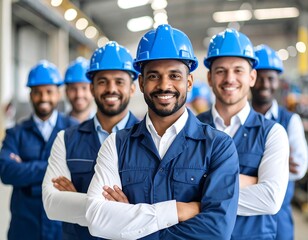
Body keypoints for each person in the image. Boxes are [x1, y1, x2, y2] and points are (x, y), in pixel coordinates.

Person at [86, 24, 240, 240]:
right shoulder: (116, 144)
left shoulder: (218, 146)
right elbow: (96, 219)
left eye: (174, 76)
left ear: (188, 82)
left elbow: (217, 229)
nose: (164, 85)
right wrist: (179, 211)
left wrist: (131, 223)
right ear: (141, 83)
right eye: (154, 76)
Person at [197, 28, 289, 240]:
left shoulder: (273, 133)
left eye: (238, 70)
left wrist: (199, 191)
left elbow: (269, 199)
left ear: (252, 77)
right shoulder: (190, 129)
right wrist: (250, 181)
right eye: (221, 71)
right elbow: (173, 190)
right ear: (210, 78)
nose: (230, 79)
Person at [42, 41, 140, 240]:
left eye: (119, 81)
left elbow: (156, 206)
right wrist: (125, 212)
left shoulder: (149, 139)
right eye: (102, 81)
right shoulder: (66, 139)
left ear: (132, 88)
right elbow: (52, 205)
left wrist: (74, 200)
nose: (111, 89)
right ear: (92, 88)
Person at [0, 60, 77, 240]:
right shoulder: (16, 133)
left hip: (61, 229)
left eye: (49, 92)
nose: (43, 98)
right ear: (30, 95)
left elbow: (79, 172)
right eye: (37, 92)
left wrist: (26, 169)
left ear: (58, 94)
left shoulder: (74, 130)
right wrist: (57, 167)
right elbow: (6, 172)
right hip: (24, 228)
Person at [251, 44, 308, 240]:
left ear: (278, 81)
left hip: (279, 216)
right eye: (259, 77)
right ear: (250, 78)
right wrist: (278, 163)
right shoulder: (239, 121)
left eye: (270, 78)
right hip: (244, 217)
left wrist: (249, 168)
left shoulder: (290, 120)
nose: (264, 84)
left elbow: (299, 168)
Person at [64, 57, 94, 122]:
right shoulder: (58, 127)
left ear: (93, 89)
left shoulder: (104, 125)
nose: (79, 95)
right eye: (73, 88)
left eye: (84, 88)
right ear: (66, 91)